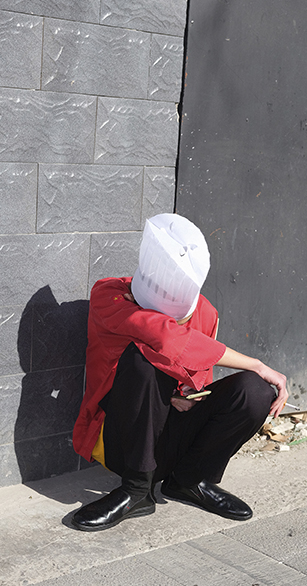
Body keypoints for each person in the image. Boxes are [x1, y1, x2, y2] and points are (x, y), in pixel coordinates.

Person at [71, 213, 288, 532]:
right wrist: (257, 363)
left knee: (254, 391)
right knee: (144, 361)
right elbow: (164, 337)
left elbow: (199, 376)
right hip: (122, 438)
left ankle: (189, 480)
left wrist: (182, 394)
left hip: (172, 439)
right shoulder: (109, 294)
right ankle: (136, 490)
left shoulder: (206, 313)